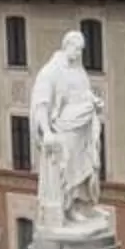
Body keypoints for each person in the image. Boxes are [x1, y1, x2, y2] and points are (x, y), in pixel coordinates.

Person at [29, 29, 104, 233]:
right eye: (76, 49)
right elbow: (41, 104)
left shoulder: (79, 71)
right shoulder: (51, 72)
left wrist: (93, 101)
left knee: (85, 167)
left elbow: (84, 92)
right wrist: (47, 131)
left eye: (81, 50)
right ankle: (67, 208)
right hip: (64, 129)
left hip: (82, 128)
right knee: (67, 169)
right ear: (66, 46)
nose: (79, 54)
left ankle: (79, 205)